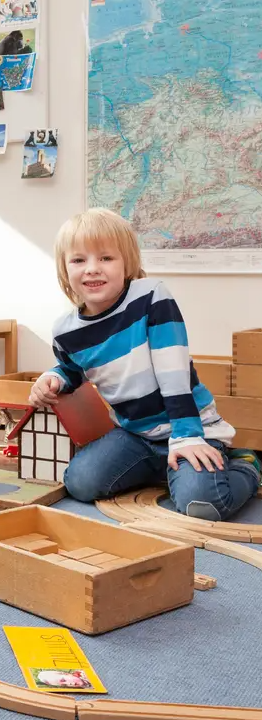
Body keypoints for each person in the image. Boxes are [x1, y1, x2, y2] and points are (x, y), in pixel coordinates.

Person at [29, 208, 261, 521]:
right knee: (79, 483)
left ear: (127, 263)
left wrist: (188, 436)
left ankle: (247, 465)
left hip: (192, 427)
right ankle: (164, 469)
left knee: (203, 504)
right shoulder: (65, 331)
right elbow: (73, 370)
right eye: (79, 260)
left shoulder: (150, 297)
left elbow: (174, 373)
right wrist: (52, 378)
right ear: (64, 268)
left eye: (106, 258)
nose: (92, 269)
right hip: (136, 435)